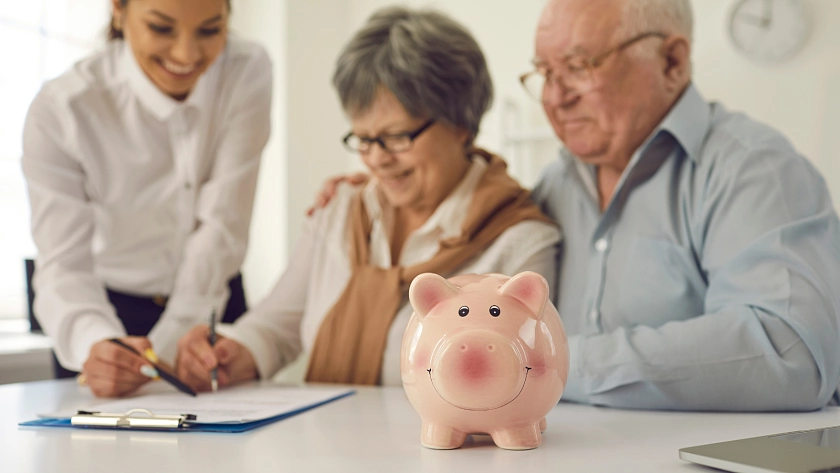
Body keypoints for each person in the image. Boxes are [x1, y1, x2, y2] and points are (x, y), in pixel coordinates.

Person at [314, 0, 840, 411]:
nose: (556, 97)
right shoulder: (554, 185)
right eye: (545, 72)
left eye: (580, 67)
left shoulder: (755, 169)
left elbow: (791, 352)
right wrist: (379, 183)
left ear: (672, 61)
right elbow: (478, 219)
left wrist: (548, 363)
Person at [173, 6, 561, 391]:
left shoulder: (519, 242)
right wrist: (228, 353)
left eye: (396, 137)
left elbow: (519, 378)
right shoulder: (341, 209)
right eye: (363, 139)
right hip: (327, 431)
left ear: (461, 123)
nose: (377, 159)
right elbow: (276, 327)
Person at [21, 0, 272, 397]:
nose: (186, 54)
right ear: (118, 10)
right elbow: (63, 264)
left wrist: (171, 343)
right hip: (103, 311)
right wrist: (97, 345)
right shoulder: (62, 109)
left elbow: (223, 226)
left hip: (211, 302)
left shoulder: (246, 70)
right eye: (161, 28)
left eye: (210, 30)